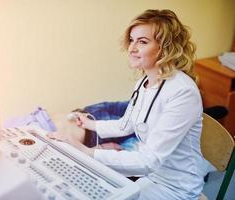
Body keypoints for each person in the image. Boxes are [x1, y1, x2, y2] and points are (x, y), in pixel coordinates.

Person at [47, 9, 209, 200]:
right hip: (151, 176)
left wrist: (87, 152)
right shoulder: (143, 82)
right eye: (132, 40)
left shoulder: (183, 92)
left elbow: (149, 160)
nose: (131, 48)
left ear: (166, 48)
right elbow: (127, 124)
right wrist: (91, 124)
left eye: (142, 41)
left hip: (176, 187)